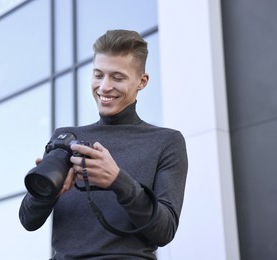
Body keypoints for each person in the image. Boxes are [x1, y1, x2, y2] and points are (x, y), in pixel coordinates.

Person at [19, 29, 188, 259]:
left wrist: (118, 181)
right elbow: (28, 220)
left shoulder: (166, 142)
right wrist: (47, 193)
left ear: (142, 81)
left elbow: (165, 230)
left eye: (117, 77)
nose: (104, 87)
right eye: (98, 75)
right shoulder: (66, 138)